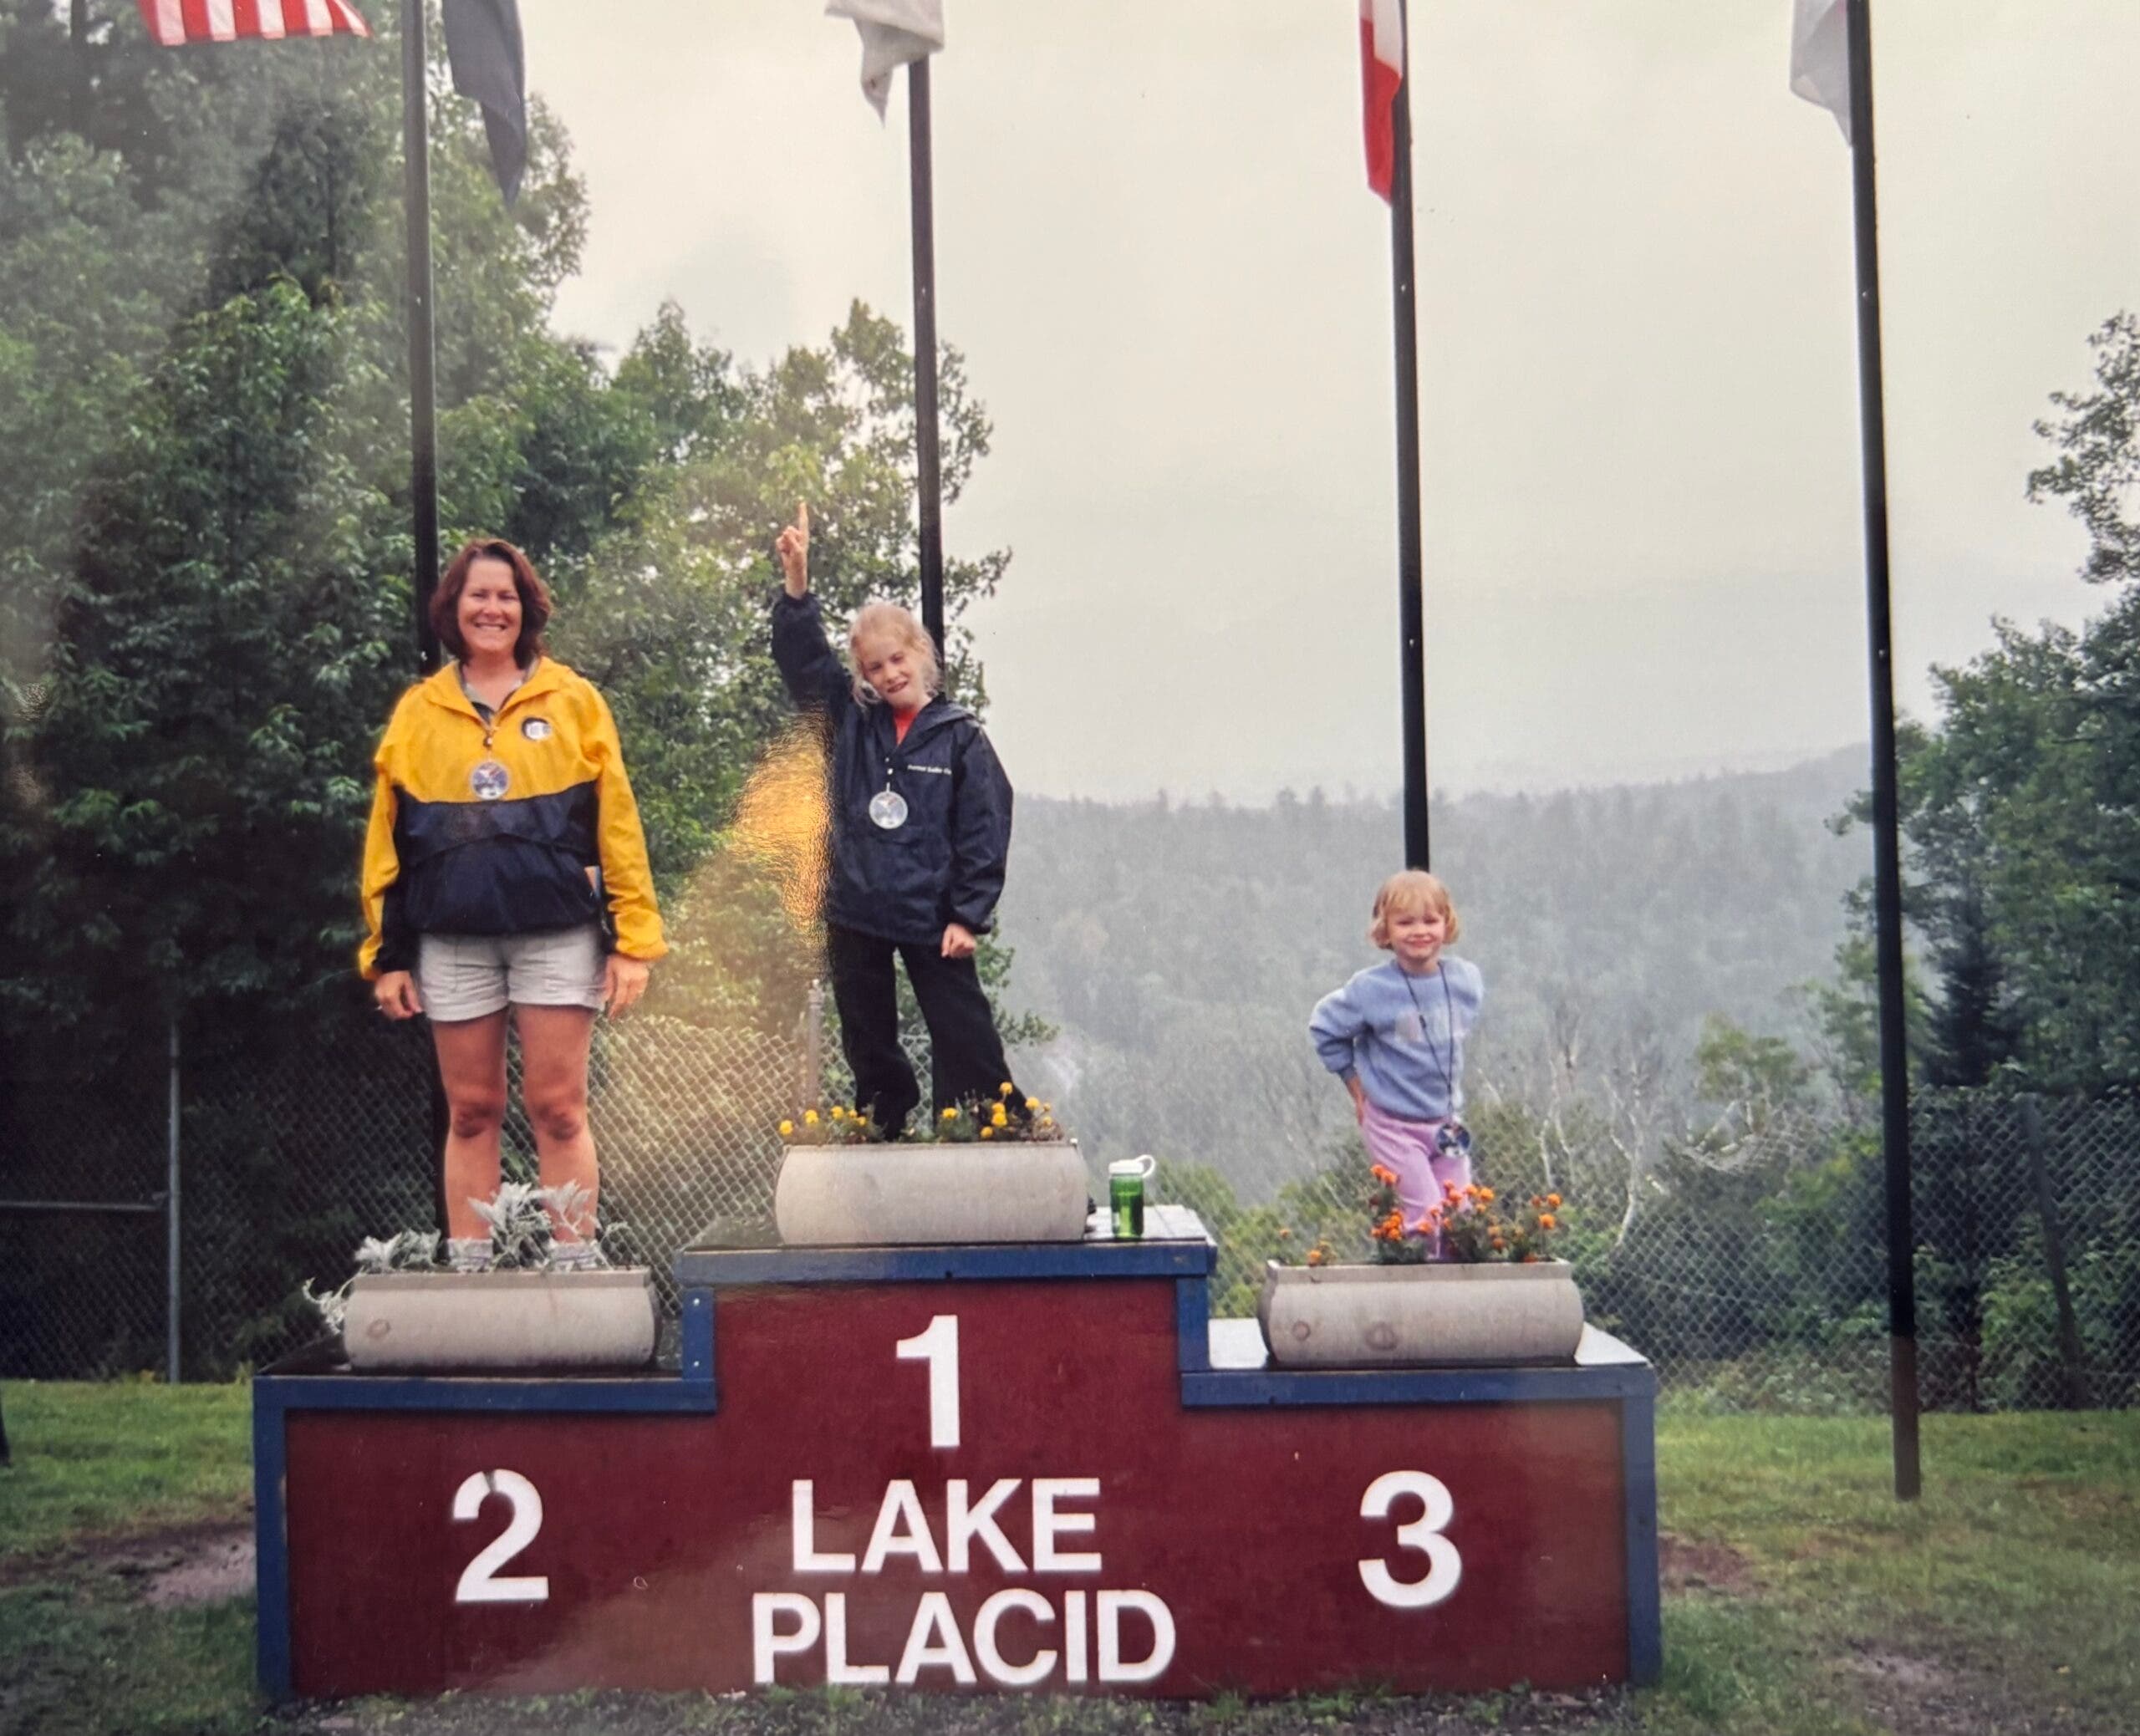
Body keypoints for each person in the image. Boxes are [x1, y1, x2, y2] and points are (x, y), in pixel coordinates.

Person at [359, 539, 665, 1270]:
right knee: (471, 1112)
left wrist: (632, 940)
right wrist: (389, 955)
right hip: (451, 942)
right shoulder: (419, 711)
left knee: (559, 1109)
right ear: (453, 609)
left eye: (506, 596)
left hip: (557, 936)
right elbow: (389, 842)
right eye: (477, 595)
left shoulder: (575, 700)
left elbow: (617, 824)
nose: (492, 608)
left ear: (526, 608)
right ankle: (470, 1273)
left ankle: (575, 1267)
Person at [769, 501, 1025, 1137]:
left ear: (920, 652)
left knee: (962, 1028)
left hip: (932, 912)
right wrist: (797, 587)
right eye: (874, 667)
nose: (888, 674)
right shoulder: (850, 721)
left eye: (896, 659)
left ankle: (994, 1119)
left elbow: (984, 828)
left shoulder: (960, 736)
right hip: (856, 903)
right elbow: (804, 665)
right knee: (866, 1031)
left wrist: (968, 913)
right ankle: (882, 1119)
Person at [1309, 870, 1485, 1250]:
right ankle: (1425, 1301)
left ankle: (1459, 1300)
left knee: (1461, 1218)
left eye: (1430, 920)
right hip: (1393, 1125)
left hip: (1446, 1124)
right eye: (1405, 922)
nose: (1419, 931)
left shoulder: (1466, 982)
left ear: (1446, 924)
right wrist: (1356, 1088)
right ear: (1385, 931)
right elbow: (1325, 1028)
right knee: (1425, 1216)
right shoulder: (1370, 990)